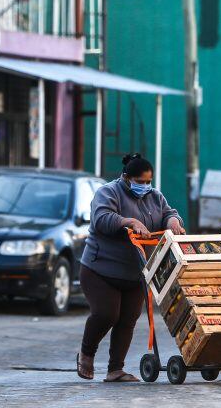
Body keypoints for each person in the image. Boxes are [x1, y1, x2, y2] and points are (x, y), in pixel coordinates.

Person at [77, 153, 185, 382]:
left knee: (128, 319)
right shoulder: (108, 192)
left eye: (148, 181)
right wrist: (129, 222)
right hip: (100, 270)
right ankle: (86, 354)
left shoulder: (155, 196)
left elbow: (168, 213)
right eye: (140, 182)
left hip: (135, 272)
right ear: (126, 178)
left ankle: (115, 369)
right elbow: (102, 219)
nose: (145, 186)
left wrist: (173, 221)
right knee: (107, 314)